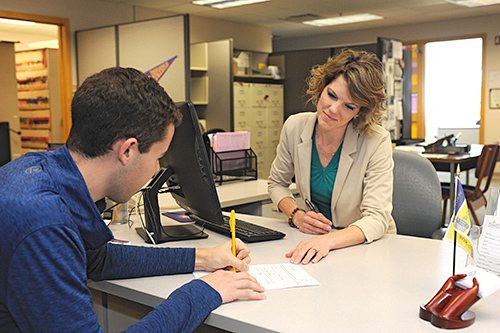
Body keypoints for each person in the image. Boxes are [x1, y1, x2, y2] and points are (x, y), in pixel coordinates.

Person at [0, 67, 265, 332]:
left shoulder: (35, 169)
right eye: (158, 157)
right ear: (127, 151)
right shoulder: (44, 223)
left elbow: (97, 260)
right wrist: (204, 292)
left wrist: (202, 258)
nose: (158, 168)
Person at [268, 49, 397, 266]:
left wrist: (327, 241)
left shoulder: (377, 141)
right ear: (321, 88)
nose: (333, 109)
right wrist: (296, 215)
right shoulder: (294, 126)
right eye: (331, 95)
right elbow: (276, 184)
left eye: (349, 106)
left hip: (365, 247)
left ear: (360, 112)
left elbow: (377, 219)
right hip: (314, 243)